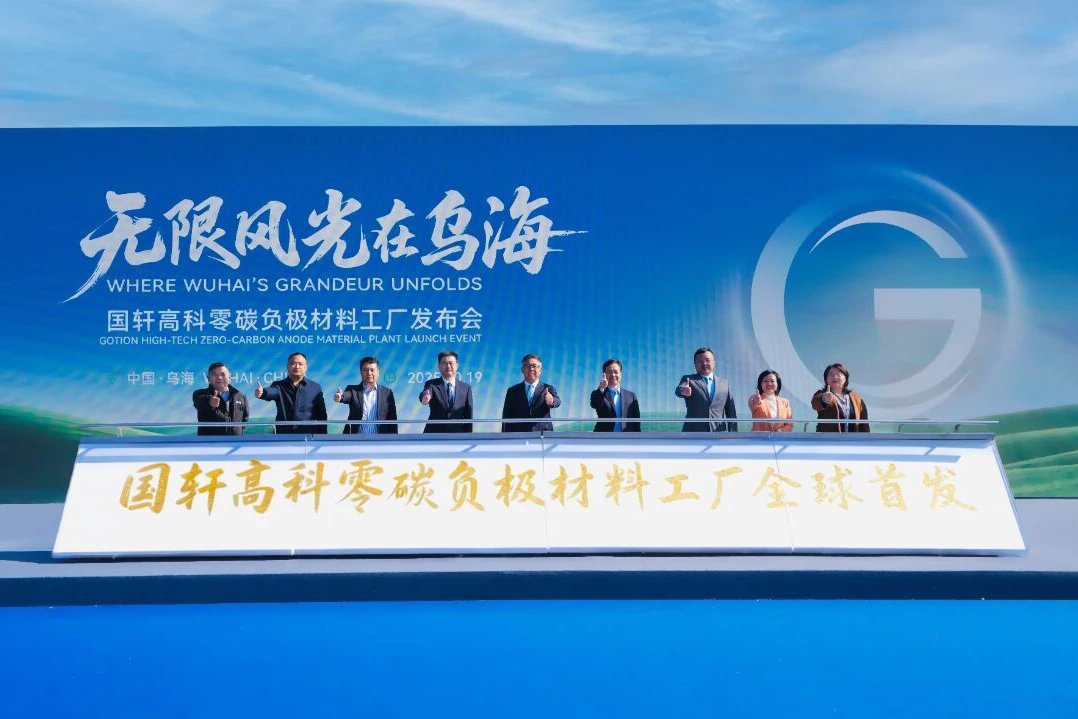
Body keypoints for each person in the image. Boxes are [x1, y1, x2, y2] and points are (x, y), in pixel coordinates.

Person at [254, 352, 328, 434]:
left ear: (306, 367)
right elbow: (272, 392)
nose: (297, 366)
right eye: (293, 363)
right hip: (284, 435)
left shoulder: (315, 387)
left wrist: (323, 435)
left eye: (300, 364)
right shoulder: (279, 385)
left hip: (308, 435)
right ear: (287, 366)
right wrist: (262, 392)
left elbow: (321, 414)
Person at [674, 347, 737, 432]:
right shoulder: (688, 379)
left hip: (718, 433)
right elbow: (678, 391)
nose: (704, 363)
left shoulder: (725, 383)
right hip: (693, 432)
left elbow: (731, 412)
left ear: (714, 363)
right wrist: (683, 391)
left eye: (707, 360)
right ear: (695, 364)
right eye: (700, 361)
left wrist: (733, 434)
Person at [334, 356, 398, 435]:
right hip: (355, 439)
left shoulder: (387, 393)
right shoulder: (353, 390)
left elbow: (392, 418)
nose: (369, 373)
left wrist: (394, 439)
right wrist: (340, 397)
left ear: (378, 372)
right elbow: (346, 396)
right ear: (361, 372)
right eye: (366, 370)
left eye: (372, 370)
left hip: (380, 439)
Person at [501, 354, 561, 432]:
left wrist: (552, 401)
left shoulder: (548, 388)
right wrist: (505, 435)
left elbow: (558, 401)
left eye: (534, 366)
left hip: (543, 434)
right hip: (518, 434)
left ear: (540, 370)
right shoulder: (512, 391)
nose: (531, 369)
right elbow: (506, 415)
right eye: (527, 366)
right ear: (522, 369)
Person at [419, 350, 473, 433]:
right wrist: (424, 398)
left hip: (458, 434)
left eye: (451, 363)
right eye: (444, 363)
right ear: (439, 366)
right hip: (434, 434)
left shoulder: (466, 388)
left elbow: (468, 415)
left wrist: (468, 436)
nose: (448, 366)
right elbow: (426, 393)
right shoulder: (432, 384)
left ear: (457, 365)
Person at [192, 361, 249, 436]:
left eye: (223, 374)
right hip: (210, 442)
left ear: (229, 377)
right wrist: (210, 402)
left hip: (235, 441)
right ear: (208, 379)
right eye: (214, 374)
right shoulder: (199, 394)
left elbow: (244, 420)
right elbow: (200, 403)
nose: (219, 377)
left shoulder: (240, 396)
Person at [811, 363, 869, 432]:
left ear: (845, 378)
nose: (835, 377)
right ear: (826, 379)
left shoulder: (856, 398)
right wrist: (824, 400)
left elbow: (864, 424)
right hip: (828, 438)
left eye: (839, 374)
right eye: (831, 374)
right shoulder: (821, 394)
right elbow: (815, 404)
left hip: (853, 438)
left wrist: (867, 437)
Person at [590, 358, 641, 432]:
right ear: (604, 374)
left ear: (620, 374)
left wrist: (638, 437)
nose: (613, 375)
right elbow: (594, 405)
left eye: (616, 372)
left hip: (626, 437)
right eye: (609, 372)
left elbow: (636, 421)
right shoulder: (598, 393)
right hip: (604, 436)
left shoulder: (631, 396)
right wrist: (601, 388)